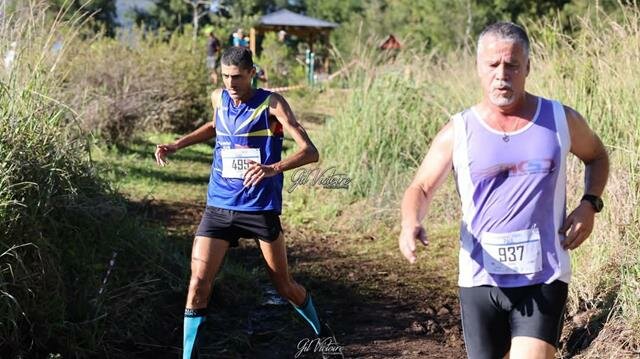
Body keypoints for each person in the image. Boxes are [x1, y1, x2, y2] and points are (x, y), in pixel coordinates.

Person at [398, 22, 609, 359]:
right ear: (479, 69)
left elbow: (597, 156)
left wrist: (589, 204)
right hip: (479, 279)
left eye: (512, 65)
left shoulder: (559, 119)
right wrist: (410, 222)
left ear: (527, 67)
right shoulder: (460, 130)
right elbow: (421, 187)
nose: (502, 75)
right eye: (493, 65)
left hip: (544, 275)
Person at [155, 46, 338, 358]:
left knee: (284, 286)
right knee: (198, 282)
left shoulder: (272, 103)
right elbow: (216, 126)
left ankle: (324, 337)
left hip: (259, 208)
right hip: (219, 206)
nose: (231, 83)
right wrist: (177, 144)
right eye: (226, 76)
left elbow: (310, 151)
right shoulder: (219, 98)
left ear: (253, 73)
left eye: (237, 77)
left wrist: (273, 168)